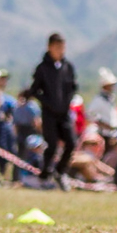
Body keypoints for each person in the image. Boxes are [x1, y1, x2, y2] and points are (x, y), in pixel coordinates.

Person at [27, 34, 79, 190]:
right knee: (52, 145)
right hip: (49, 114)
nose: (60, 51)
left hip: (64, 114)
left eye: (62, 47)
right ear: (49, 47)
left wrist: (66, 103)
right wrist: (48, 103)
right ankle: (44, 176)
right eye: (57, 47)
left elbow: (72, 87)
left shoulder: (68, 66)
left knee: (71, 143)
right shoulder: (42, 68)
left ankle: (60, 172)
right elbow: (35, 90)